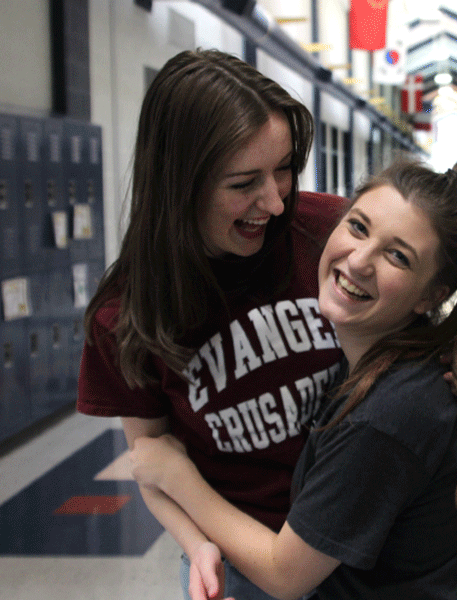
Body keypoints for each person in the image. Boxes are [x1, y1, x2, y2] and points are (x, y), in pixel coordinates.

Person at [130, 160, 457, 600]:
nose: (359, 261)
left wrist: (177, 475)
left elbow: (285, 575)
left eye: (398, 256)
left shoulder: (388, 414)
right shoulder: (387, 361)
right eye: (358, 227)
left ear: (432, 295)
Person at [76, 48, 347, 600]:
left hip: (362, 543)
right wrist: (197, 545)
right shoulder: (126, 314)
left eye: (285, 169)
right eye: (243, 182)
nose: (273, 202)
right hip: (240, 557)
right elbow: (153, 461)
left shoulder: (330, 232)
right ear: (180, 184)